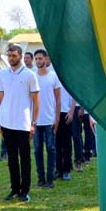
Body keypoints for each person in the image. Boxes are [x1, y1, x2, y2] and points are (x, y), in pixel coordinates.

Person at [0, 44, 39, 202]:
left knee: (25, 158)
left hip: (23, 123)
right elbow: (0, 98)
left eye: (14, 55)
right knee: (11, 159)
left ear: (20, 56)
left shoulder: (29, 75)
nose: (11, 58)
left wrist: (33, 123)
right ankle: (14, 189)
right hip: (7, 123)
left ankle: (25, 191)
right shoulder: (2, 74)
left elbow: (36, 100)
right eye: (9, 55)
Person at [33, 50, 61, 189]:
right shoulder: (32, 76)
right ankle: (40, 178)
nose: (38, 61)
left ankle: (50, 178)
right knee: (37, 149)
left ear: (45, 59)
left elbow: (58, 99)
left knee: (51, 149)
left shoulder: (53, 76)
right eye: (36, 59)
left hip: (50, 119)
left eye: (40, 58)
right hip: (36, 121)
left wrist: (57, 118)